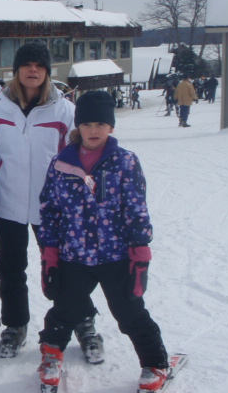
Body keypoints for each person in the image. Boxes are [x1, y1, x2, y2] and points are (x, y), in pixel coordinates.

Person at [0, 42, 102, 360]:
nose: (33, 70)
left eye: (39, 66)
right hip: (8, 204)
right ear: (16, 71)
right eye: (27, 65)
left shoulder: (64, 111)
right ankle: (15, 326)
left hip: (53, 208)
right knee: (11, 267)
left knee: (65, 268)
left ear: (47, 72)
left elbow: (80, 157)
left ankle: (83, 323)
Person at [37, 91, 169, 392]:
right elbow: (50, 210)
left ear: (110, 126)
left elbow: (136, 208)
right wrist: (51, 253)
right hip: (74, 256)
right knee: (64, 311)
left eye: (100, 124)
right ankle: (51, 355)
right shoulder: (61, 164)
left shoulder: (125, 162)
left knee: (129, 311)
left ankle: (155, 362)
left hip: (116, 257)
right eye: (86, 124)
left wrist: (140, 251)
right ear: (78, 127)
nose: (93, 130)